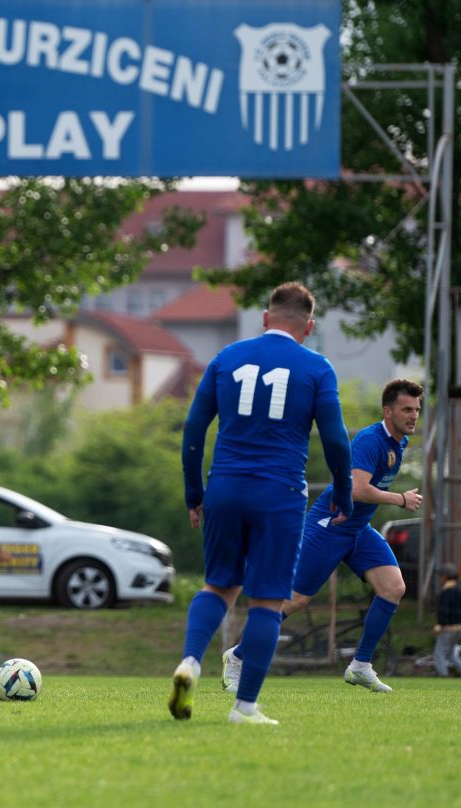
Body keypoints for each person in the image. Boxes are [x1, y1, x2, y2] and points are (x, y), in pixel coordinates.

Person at [172, 282, 353, 725]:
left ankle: (191, 662)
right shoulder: (316, 368)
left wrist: (194, 493)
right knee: (267, 602)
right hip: (280, 494)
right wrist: (343, 493)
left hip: (225, 488)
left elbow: (194, 430)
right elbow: (335, 440)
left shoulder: (226, 358)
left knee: (218, 586)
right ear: (308, 327)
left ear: (266, 319)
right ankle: (245, 707)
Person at [221, 379, 424, 694]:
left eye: (417, 410)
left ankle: (361, 665)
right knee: (296, 599)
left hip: (357, 528)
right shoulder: (371, 441)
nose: (413, 415)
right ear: (388, 411)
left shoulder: (399, 442)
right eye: (406, 409)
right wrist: (400, 499)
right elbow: (358, 489)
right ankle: (237, 656)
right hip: (330, 525)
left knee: (393, 588)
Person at [432, 563, 461, 677]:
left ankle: (443, 676)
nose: (440, 578)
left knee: (439, 653)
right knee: (450, 655)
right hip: (459, 628)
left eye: (441, 576)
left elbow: (444, 610)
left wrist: (440, 624)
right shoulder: (458, 591)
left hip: (449, 628)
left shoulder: (447, 592)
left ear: (446, 576)